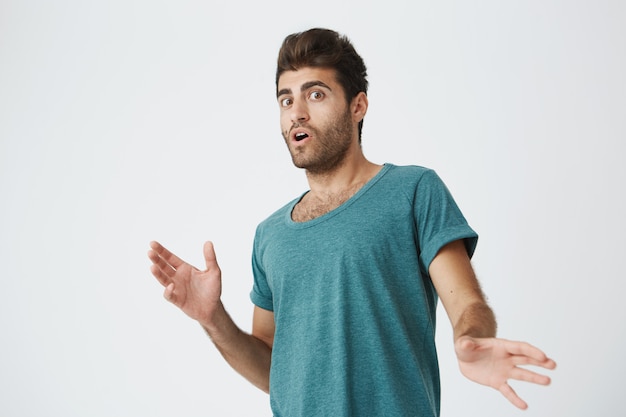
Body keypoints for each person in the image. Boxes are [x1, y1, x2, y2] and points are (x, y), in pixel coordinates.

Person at [148, 28, 556, 416]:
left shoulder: (413, 190)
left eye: (316, 94)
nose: (298, 113)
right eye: (286, 100)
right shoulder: (269, 235)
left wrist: (473, 339)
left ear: (357, 105)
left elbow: (467, 303)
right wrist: (212, 318)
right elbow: (275, 368)